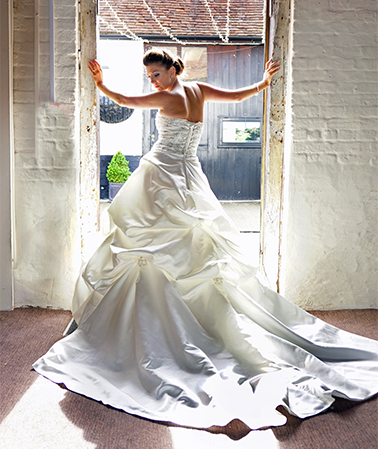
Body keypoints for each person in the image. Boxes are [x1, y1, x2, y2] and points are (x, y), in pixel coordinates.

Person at [34, 49, 378, 430]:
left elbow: (126, 101)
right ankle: (191, 316)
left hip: (164, 174)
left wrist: (100, 83)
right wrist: (264, 82)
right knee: (184, 248)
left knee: (148, 250)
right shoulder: (198, 90)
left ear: (170, 70)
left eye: (156, 73)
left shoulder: (168, 96)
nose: (153, 80)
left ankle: (160, 329)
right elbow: (235, 96)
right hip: (189, 174)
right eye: (149, 74)